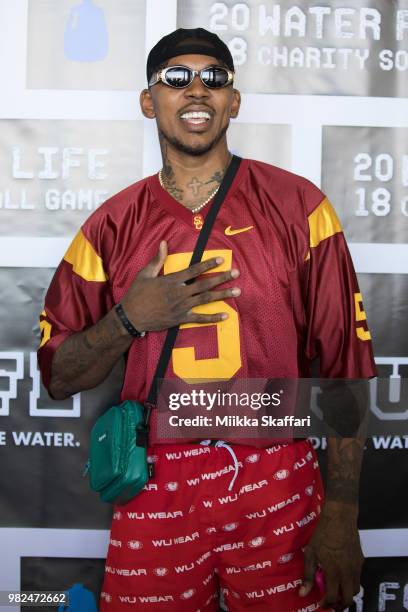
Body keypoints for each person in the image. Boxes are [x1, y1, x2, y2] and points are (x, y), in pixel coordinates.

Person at [38, 28, 377, 612]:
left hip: (278, 477)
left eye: (214, 77)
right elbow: (58, 374)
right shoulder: (112, 224)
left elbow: (345, 368)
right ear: (149, 101)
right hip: (156, 483)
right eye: (176, 77)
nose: (197, 89)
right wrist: (128, 319)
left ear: (234, 101)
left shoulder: (300, 207)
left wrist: (343, 513)